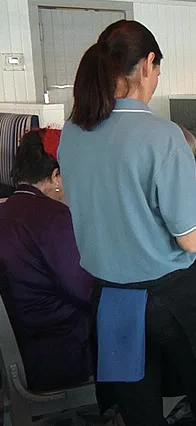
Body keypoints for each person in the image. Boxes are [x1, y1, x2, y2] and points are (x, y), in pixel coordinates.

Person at [59, 20, 196, 425]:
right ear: (147, 65)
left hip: (110, 297)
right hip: (172, 297)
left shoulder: (72, 132)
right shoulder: (162, 135)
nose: (158, 77)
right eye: (159, 68)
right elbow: (191, 241)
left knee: (138, 413)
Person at [0, 128, 94, 391]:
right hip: (61, 351)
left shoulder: (7, 209)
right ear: (55, 176)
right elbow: (85, 291)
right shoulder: (52, 217)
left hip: (18, 349)